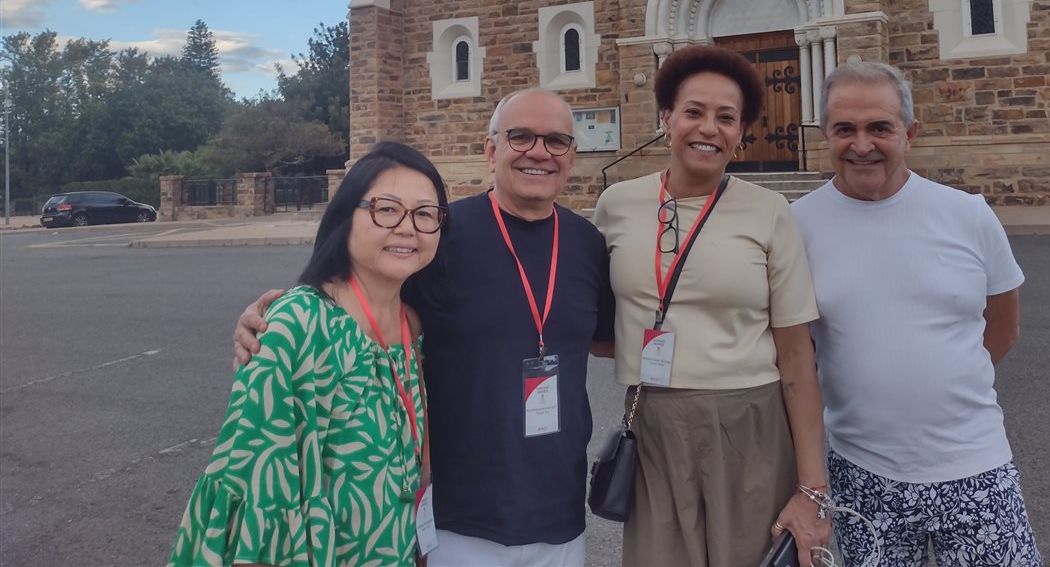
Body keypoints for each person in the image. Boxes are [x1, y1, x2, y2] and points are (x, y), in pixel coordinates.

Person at [233, 89, 615, 567]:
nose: (539, 152)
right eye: (520, 137)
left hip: (559, 514)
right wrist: (283, 312)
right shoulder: (442, 232)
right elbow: (365, 301)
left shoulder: (586, 243)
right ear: (491, 149)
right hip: (459, 518)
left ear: (572, 155)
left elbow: (604, 340)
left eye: (556, 141)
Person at [790, 60, 1043, 566]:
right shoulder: (798, 226)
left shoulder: (968, 215)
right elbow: (799, 356)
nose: (862, 145)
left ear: (910, 132)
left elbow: (1004, 328)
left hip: (975, 465)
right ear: (826, 135)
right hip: (862, 473)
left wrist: (940, 386)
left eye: (879, 128)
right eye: (846, 129)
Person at [592, 45, 830, 567]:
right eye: (694, 111)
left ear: (741, 129)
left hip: (750, 423)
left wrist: (813, 488)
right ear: (666, 118)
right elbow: (592, 317)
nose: (709, 128)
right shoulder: (617, 206)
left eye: (727, 117)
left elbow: (796, 356)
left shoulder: (770, 212)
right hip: (652, 420)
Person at [169, 141, 450, 566]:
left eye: (425, 214)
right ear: (344, 218)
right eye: (386, 209)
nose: (408, 227)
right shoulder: (298, 325)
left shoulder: (415, 325)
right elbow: (258, 490)